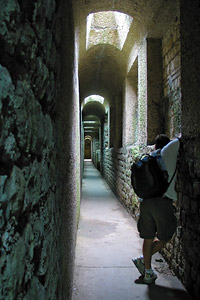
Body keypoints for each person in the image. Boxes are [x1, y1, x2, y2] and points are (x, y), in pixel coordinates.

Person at [132, 134, 181, 284]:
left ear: (154, 146)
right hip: (162, 201)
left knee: (148, 237)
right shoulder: (168, 152)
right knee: (165, 235)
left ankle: (147, 273)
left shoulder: (150, 157)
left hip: (146, 202)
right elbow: (180, 139)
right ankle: (143, 259)